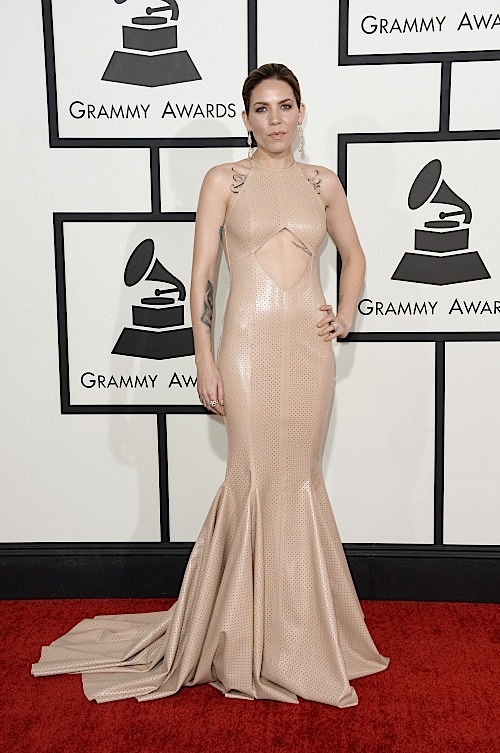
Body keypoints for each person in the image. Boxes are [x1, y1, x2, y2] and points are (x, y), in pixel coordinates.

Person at [32, 63, 388, 707]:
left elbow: (355, 255)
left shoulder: (322, 182)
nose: (275, 119)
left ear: (301, 112)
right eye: (262, 108)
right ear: (245, 118)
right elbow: (202, 276)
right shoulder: (224, 179)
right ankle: (239, 636)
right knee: (251, 478)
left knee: (299, 480)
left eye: (285, 106)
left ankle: (298, 635)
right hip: (245, 345)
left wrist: (346, 311)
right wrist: (205, 357)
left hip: (308, 350)